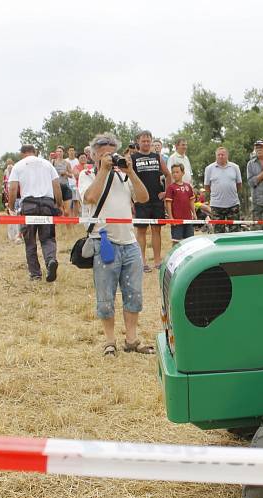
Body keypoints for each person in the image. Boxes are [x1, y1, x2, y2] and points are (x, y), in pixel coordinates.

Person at [78, 132, 150, 357]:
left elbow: (143, 197)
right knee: (106, 296)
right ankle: (110, 341)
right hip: (104, 242)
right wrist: (103, 170)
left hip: (129, 243)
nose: (109, 157)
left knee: (134, 294)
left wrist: (130, 172)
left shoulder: (123, 176)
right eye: (103, 154)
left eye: (112, 153)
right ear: (94, 156)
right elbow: (90, 197)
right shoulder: (87, 174)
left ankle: (131, 339)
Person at [8, 144, 63, 282]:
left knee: (30, 241)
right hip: (47, 204)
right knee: (48, 238)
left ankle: (35, 274)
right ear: (35, 152)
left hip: (29, 205)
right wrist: (59, 204)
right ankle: (50, 260)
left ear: (22, 153)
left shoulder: (18, 165)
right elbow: (56, 185)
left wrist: (11, 206)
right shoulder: (47, 164)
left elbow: (13, 188)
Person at [131, 130, 172, 272]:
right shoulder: (133, 158)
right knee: (141, 231)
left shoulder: (157, 156)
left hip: (156, 199)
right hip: (141, 200)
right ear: (138, 142)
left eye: (149, 141)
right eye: (143, 141)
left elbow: (168, 175)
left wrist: (166, 192)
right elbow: (128, 179)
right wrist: (132, 198)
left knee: (157, 230)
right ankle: (141, 262)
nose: (146, 143)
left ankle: (157, 261)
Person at [204, 147, 243, 233]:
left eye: (223, 154)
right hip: (216, 206)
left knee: (235, 232)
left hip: (233, 204)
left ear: (227, 155)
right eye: (219, 155)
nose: (221, 156)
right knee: (218, 233)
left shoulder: (235, 167)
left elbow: (239, 184)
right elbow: (207, 186)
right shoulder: (209, 168)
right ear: (216, 156)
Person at [165, 163, 196, 243]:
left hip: (188, 219)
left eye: (177, 172)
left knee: (189, 242)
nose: (175, 174)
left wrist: (194, 214)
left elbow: (191, 201)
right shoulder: (171, 188)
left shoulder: (188, 186)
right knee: (176, 243)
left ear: (183, 173)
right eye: (173, 172)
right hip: (176, 220)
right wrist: (171, 218)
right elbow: (168, 204)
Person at [51, 147, 73, 218]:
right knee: (56, 211)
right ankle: (57, 228)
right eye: (58, 151)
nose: (59, 153)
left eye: (60, 151)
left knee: (67, 212)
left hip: (65, 187)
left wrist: (66, 173)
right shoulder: (52, 162)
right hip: (55, 188)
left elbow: (71, 175)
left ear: (63, 153)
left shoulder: (67, 163)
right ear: (56, 153)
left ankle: (69, 229)